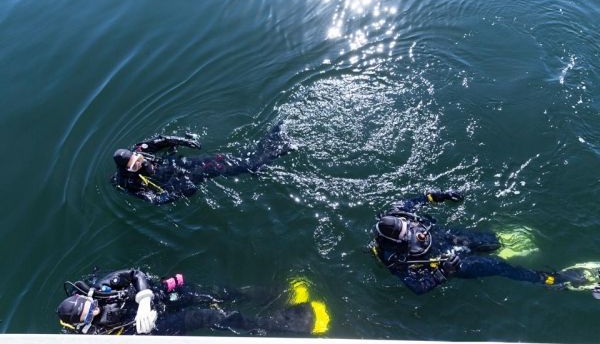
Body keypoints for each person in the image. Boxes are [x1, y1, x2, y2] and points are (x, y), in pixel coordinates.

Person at [370, 190, 600, 295]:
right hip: (447, 263)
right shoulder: (395, 258)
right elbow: (416, 287)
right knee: (498, 266)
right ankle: (554, 280)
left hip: (447, 237)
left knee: (488, 240)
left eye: (410, 227)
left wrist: (440, 196)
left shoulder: (399, 213)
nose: (417, 234)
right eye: (409, 235)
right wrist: (442, 273)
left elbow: (417, 200)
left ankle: (501, 244)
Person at [57, 269, 330, 336]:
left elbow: (134, 273)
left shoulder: (101, 290)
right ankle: (288, 322)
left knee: (217, 293)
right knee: (213, 316)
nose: (97, 309)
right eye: (90, 315)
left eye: (91, 304)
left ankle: (279, 295)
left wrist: (144, 300)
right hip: (159, 327)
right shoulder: (97, 335)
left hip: (157, 299)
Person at [112, 122, 292, 204]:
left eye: (138, 158)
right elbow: (154, 199)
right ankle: (262, 159)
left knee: (220, 160)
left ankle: (260, 156)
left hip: (177, 164)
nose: (140, 162)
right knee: (214, 169)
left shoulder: (141, 149)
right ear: (127, 169)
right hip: (175, 181)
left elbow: (164, 140)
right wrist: (178, 193)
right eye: (134, 165)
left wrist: (185, 141)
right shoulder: (130, 183)